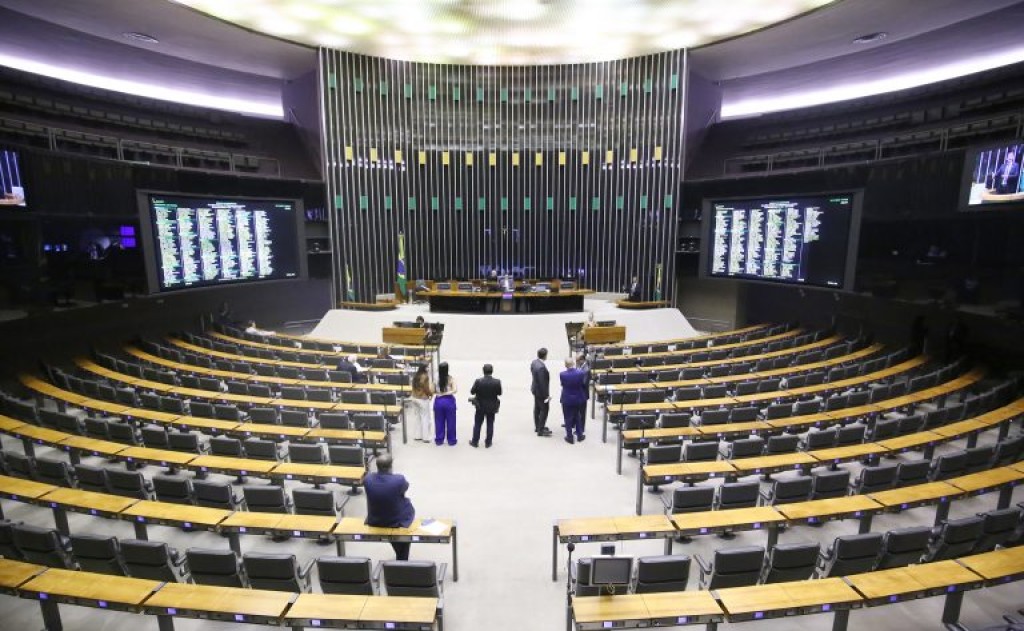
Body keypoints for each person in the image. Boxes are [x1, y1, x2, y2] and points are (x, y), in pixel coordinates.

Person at [363, 454, 416, 560]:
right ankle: (402, 559)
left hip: (375, 519)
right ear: (391, 466)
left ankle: (400, 555)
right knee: (408, 509)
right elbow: (405, 488)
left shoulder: (368, 479)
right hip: (395, 521)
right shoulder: (399, 479)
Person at [469, 363, 502, 448]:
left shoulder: (478, 381)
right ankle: (488, 442)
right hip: (492, 406)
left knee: (477, 424)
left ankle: (475, 442)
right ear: (492, 371)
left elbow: (472, 392)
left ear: (483, 371)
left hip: (480, 406)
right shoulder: (497, 382)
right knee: (490, 424)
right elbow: (499, 393)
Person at [560, 356, 589, 444]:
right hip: (578, 398)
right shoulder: (580, 373)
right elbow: (582, 384)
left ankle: (570, 437)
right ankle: (580, 435)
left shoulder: (562, 374)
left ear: (565, 365)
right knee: (577, 416)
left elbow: (563, 384)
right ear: (573, 363)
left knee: (567, 418)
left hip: (567, 398)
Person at [433, 362, 458, 445]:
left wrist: (439, 393)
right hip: (449, 401)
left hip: (438, 401)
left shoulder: (436, 379)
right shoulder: (451, 379)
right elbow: (455, 390)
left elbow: (432, 390)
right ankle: (451, 440)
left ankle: (439, 440)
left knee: (439, 421)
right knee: (451, 421)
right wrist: (446, 393)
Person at [409, 364, 433, 443]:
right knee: (425, 418)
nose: (428, 369)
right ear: (425, 369)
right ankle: (426, 437)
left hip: (414, 397)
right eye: (427, 368)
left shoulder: (415, 376)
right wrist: (430, 394)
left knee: (417, 417)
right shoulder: (425, 376)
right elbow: (426, 388)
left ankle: (417, 436)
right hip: (422, 399)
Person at [530, 348, 552, 436]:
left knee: (537, 409)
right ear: (545, 356)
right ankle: (541, 430)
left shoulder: (534, 362)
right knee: (544, 409)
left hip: (535, 389)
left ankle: (538, 426)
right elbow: (543, 383)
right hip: (541, 392)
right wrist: (546, 396)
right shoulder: (542, 368)